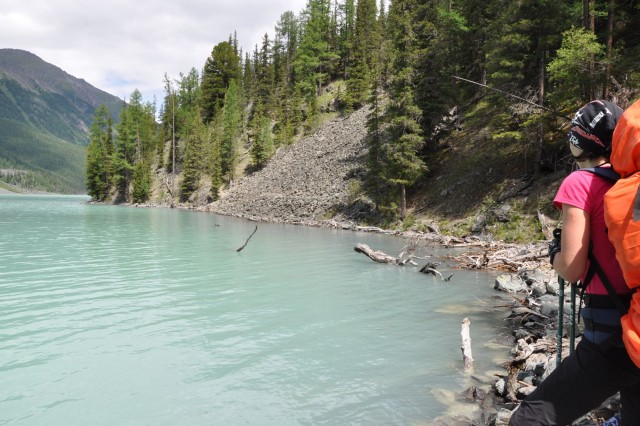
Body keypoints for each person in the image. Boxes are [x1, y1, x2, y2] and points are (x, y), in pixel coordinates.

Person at [509, 100, 640, 425]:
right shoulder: (629, 183)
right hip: (637, 328)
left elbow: (572, 268)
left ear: (579, 142)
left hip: (611, 338)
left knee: (527, 420)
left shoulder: (581, 183)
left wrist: (554, 252)